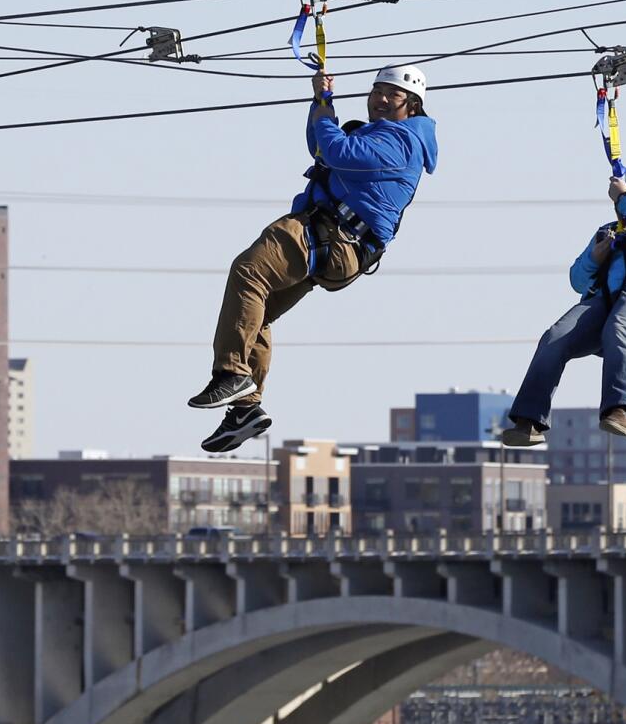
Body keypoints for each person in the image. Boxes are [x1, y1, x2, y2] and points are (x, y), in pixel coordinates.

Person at [187, 65, 438, 453]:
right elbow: (322, 148)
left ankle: (232, 373)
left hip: (331, 234)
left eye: (392, 95)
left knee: (248, 272)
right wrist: (321, 102)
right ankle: (245, 411)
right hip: (335, 242)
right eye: (377, 92)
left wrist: (326, 110)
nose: (381, 99)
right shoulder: (378, 134)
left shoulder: (401, 142)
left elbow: (337, 150)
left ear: (413, 105)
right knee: (259, 309)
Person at [501, 156, 626, 446]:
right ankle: (530, 420)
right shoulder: (609, 230)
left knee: (620, 326)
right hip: (603, 305)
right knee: (554, 337)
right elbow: (577, 280)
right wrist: (595, 258)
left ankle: (620, 410)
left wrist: (625, 200)